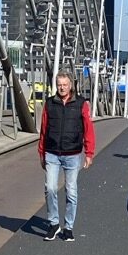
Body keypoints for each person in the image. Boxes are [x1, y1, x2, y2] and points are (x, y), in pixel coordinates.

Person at [38, 70, 95, 241]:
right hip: (52, 152)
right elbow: (43, 130)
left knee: (71, 192)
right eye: (59, 85)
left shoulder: (81, 104)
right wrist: (41, 152)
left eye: (64, 85)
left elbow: (88, 129)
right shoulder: (49, 104)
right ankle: (54, 224)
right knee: (50, 188)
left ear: (71, 85)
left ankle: (68, 227)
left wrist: (89, 153)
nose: (62, 88)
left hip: (73, 153)